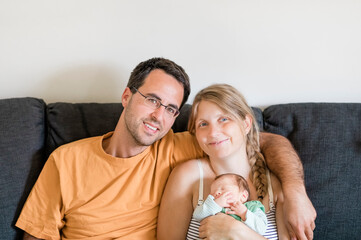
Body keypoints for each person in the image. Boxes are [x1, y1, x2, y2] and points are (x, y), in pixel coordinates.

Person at [15, 58, 315, 239]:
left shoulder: (181, 146)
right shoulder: (66, 159)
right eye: (153, 100)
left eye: (171, 108)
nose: (159, 116)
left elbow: (263, 141)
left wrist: (297, 193)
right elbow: (37, 234)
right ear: (126, 96)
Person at [158, 84, 311, 240]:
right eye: (203, 124)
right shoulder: (188, 176)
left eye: (223, 119)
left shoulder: (277, 183)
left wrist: (238, 232)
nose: (213, 133)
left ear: (246, 124)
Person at [193, 173, 268, 235]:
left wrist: (245, 213)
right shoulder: (213, 208)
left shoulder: (252, 207)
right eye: (213, 192)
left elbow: (261, 229)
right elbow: (197, 216)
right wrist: (215, 204)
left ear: (243, 196)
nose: (217, 193)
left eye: (223, 189)